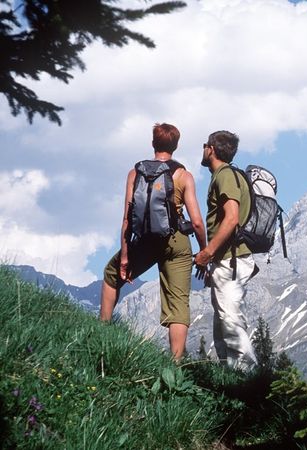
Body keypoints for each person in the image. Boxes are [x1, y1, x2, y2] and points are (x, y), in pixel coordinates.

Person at [100, 123, 207, 360]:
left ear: (153, 144)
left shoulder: (135, 173)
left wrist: (125, 257)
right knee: (178, 304)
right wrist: (204, 252)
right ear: (176, 146)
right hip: (176, 241)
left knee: (111, 275)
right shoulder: (183, 176)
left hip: (145, 239)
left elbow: (127, 219)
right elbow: (197, 222)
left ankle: (102, 331)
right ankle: (175, 365)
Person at [195, 130, 258, 371]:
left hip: (231, 261)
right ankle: (228, 378)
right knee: (222, 322)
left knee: (230, 320)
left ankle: (248, 377)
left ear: (211, 148)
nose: (203, 149)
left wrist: (207, 253)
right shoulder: (230, 175)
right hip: (229, 259)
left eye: (204, 145)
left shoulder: (225, 177)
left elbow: (231, 219)